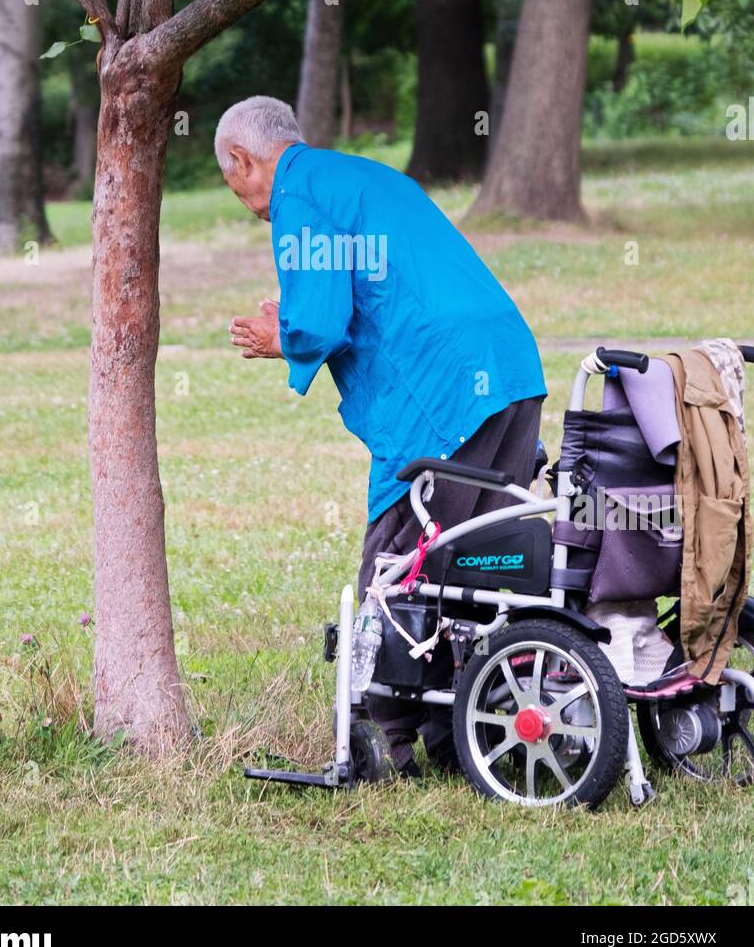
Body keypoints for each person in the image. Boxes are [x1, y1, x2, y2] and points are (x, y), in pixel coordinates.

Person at [216, 95, 546, 776]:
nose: (242, 198)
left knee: (398, 566)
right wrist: (304, 315)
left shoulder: (297, 197)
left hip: (441, 391)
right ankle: (473, 731)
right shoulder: (366, 177)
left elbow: (323, 321)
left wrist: (282, 335)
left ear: (243, 160)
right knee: (484, 561)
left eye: (233, 181)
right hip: (510, 368)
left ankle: (393, 749)